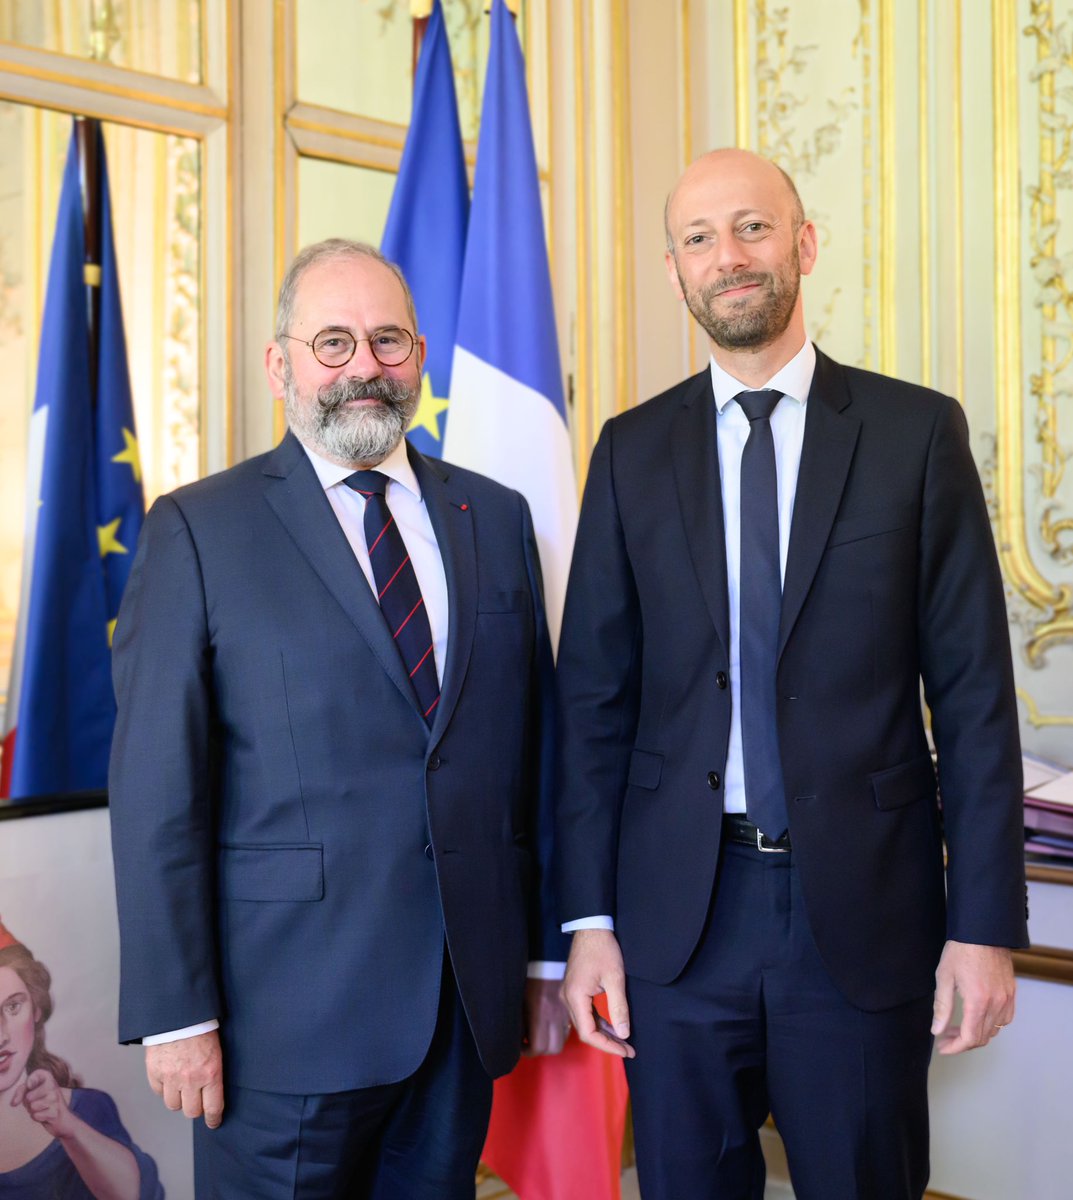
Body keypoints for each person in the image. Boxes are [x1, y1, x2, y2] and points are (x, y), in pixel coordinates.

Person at [555, 149, 1028, 1200]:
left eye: (751, 228)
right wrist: (585, 924)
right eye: (697, 239)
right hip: (675, 922)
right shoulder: (629, 452)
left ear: (802, 245)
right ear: (675, 272)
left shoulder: (914, 435)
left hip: (860, 912)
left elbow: (973, 701)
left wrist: (984, 924)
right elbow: (591, 707)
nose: (727, 257)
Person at [108, 239, 568, 1200]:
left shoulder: (496, 517)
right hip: (279, 1027)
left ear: (420, 355)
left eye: (387, 340)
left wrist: (539, 953)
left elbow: (531, 758)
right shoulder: (198, 529)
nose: (365, 366)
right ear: (281, 365)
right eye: (333, 342)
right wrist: (176, 1013)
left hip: (459, 1008)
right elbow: (157, 791)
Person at [0, 917, 163, 1200]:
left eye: (13, 1006)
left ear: (36, 1009)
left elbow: (137, 1195)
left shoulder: (88, 1110)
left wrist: (69, 1128)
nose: (1, 1035)